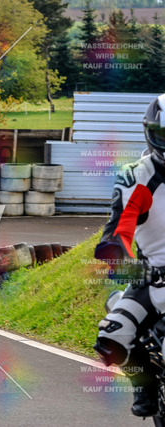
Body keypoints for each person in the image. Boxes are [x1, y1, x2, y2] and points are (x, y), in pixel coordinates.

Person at [93, 93, 165, 417]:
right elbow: (116, 234)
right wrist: (127, 265)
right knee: (112, 336)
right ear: (150, 132)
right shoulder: (135, 178)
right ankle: (145, 384)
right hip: (154, 277)